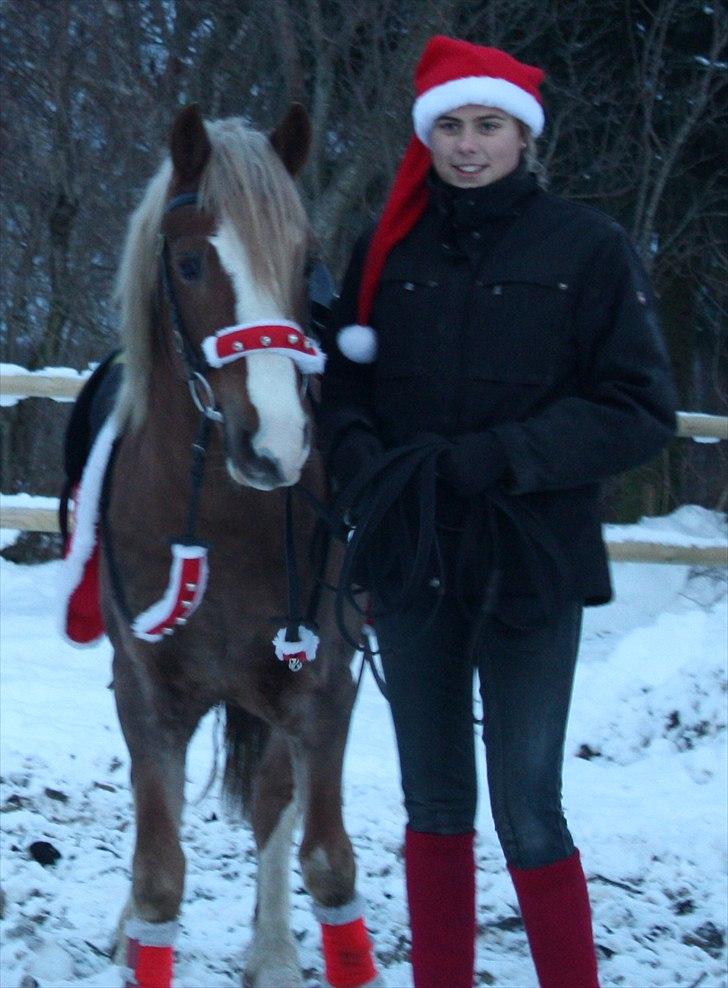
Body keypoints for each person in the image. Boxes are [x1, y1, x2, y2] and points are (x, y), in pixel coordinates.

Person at [318, 35, 677, 988]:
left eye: (488, 125)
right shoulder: (384, 249)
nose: (468, 145)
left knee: (528, 803)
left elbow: (640, 410)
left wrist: (507, 457)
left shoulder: (587, 249)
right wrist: (361, 463)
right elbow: (341, 391)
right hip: (412, 561)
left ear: (524, 135)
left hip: (531, 561)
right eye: (449, 125)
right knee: (433, 804)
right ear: (426, 135)